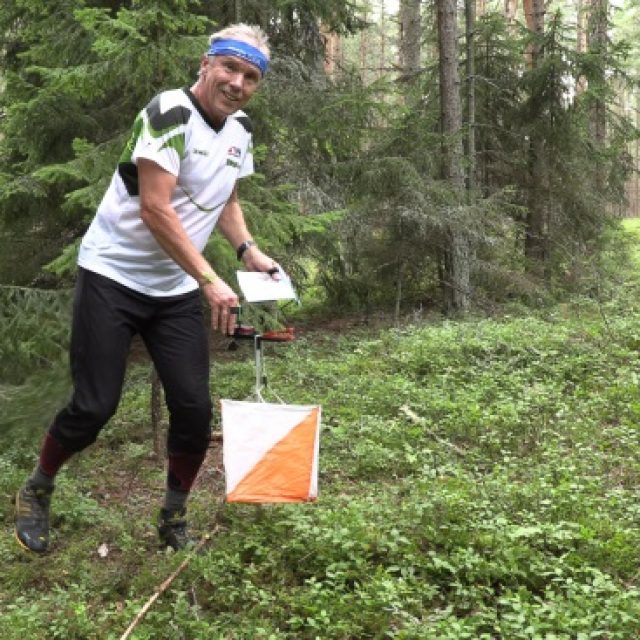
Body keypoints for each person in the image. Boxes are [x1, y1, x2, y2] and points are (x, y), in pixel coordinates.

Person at [14, 23, 278, 553]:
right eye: (230, 67)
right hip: (113, 275)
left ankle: (173, 517)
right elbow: (154, 208)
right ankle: (37, 487)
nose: (237, 83)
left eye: (250, 76)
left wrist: (247, 249)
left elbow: (225, 197)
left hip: (175, 288)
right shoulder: (169, 113)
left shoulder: (240, 130)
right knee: (94, 406)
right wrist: (210, 279)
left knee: (194, 410)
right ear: (206, 64)